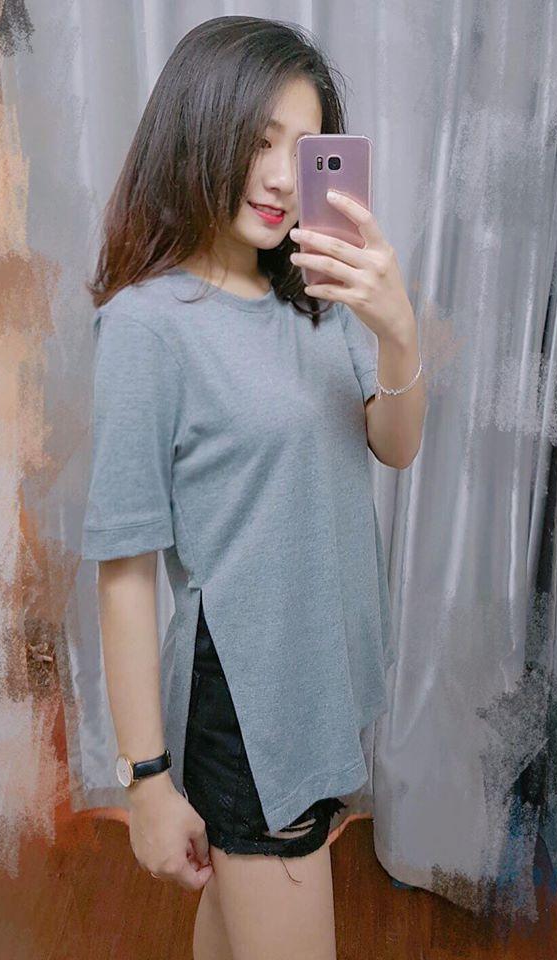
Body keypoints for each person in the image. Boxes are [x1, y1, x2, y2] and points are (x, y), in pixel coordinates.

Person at [80, 16, 426, 960]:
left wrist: (396, 331)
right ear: (197, 131)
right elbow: (125, 569)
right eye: (257, 140)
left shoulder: (320, 297)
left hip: (325, 675)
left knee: (236, 929)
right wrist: (147, 780)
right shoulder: (148, 327)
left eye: (302, 150)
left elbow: (394, 447)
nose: (280, 177)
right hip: (249, 702)